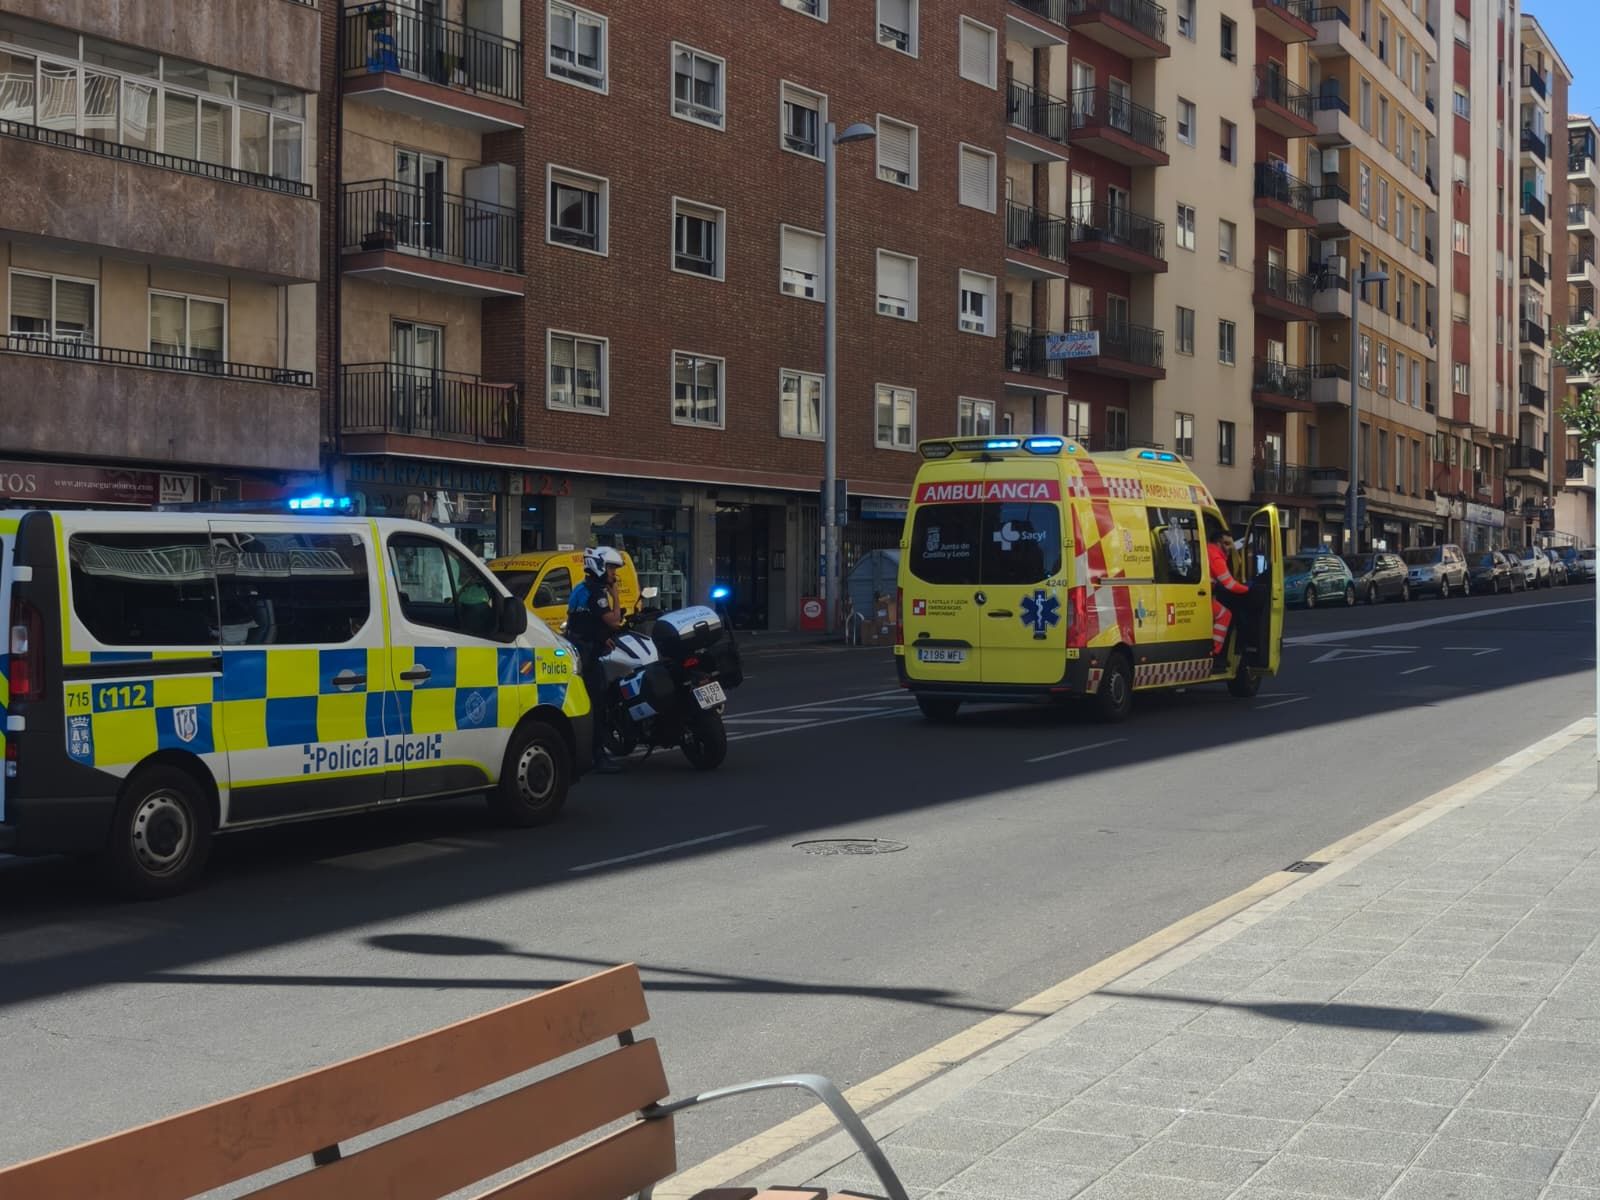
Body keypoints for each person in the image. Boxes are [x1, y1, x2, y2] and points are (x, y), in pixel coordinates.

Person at [568, 546, 626, 773]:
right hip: (589, 656)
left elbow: (582, 621)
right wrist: (616, 596)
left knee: (588, 703)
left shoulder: (581, 588)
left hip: (582, 649)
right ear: (600, 566)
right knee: (598, 705)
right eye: (612, 568)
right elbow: (613, 621)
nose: (614, 574)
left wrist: (603, 639)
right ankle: (598, 757)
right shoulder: (598, 592)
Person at [1206, 526, 1251, 658]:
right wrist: (1248, 589)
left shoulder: (1207, 550)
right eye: (1227, 544)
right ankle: (1215, 652)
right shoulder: (1216, 556)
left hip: (1206, 594)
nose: (1230, 547)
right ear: (1218, 543)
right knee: (1225, 615)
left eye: (1231, 543)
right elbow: (1230, 584)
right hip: (1203, 597)